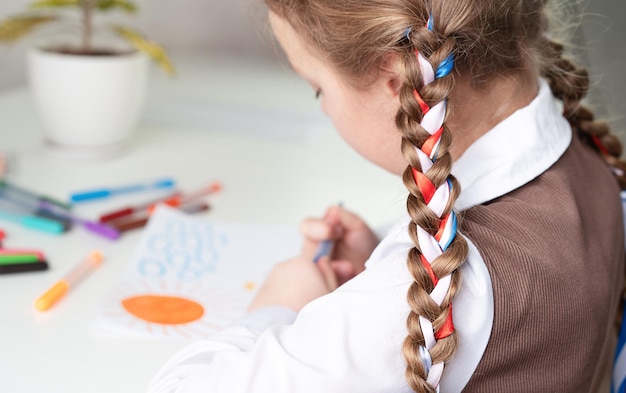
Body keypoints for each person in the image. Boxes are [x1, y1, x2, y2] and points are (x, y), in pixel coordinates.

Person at [148, 0, 626, 391]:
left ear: (397, 81)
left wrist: (280, 306)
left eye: (319, 90)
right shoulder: (588, 157)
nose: (323, 107)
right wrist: (379, 254)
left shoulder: (420, 303)